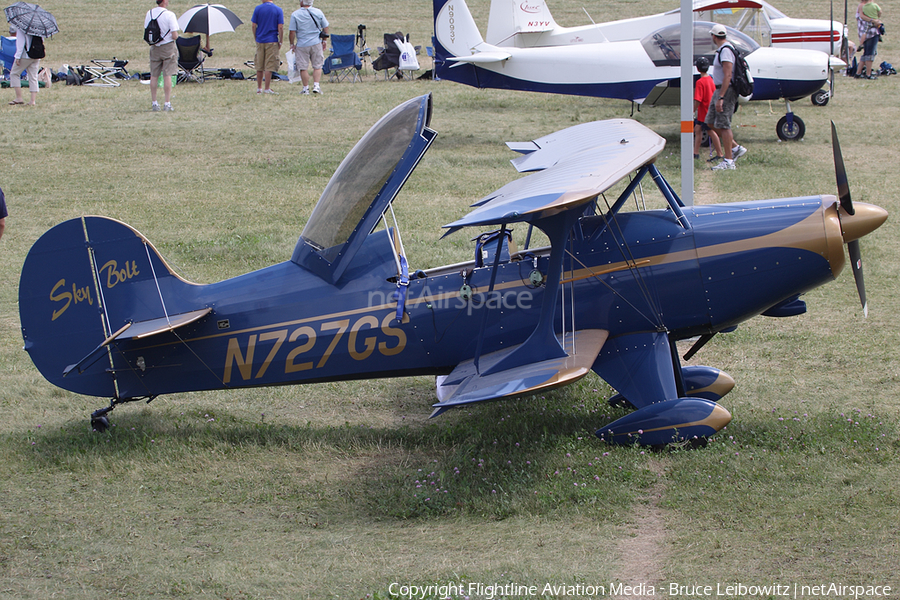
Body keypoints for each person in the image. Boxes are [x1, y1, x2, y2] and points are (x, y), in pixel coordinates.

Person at [705, 24, 747, 171]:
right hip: (718, 90)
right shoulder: (722, 50)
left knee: (724, 124)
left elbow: (728, 75)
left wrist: (721, 97)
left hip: (725, 91)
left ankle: (729, 161)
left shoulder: (726, 51)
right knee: (710, 122)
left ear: (714, 36)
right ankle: (735, 148)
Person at [145, 0, 179, 112]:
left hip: (154, 46)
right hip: (167, 46)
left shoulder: (149, 13)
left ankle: (154, 102)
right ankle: (167, 103)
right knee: (167, 74)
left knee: (154, 75)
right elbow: (174, 35)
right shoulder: (170, 15)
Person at [289, 0, 330, 95]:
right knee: (317, 65)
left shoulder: (295, 14)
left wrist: (292, 44)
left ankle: (305, 88)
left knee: (303, 67)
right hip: (316, 42)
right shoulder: (318, 12)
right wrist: (324, 40)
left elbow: (292, 32)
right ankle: (316, 85)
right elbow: (326, 26)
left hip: (302, 44)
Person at [251, 0, 284, 94]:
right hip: (272, 40)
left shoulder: (258, 8)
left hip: (260, 40)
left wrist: (255, 36)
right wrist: (281, 40)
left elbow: (254, 25)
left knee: (259, 65)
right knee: (269, 65)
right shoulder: (278, 10)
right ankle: (267, 88)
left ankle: (259, 88)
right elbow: (280, 26)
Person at [8, 26, 42, 106]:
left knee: (14, 73)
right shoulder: (39, 28)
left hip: (25, 55)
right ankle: (32, 101)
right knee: (33, 76)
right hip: (37, 54)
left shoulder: (22, 28)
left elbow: (21, 42)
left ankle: (19, 97)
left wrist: (17, 56)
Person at [693, 56, 718, 160]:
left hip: (704, 113)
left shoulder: (700, 82)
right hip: (709, 110)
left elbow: (698, 99)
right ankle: (695, 153)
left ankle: (720, 153)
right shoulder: (710, 79)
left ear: (697, 68)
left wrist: (693, 109)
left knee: (711, 132)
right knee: (697, 129)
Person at [856, 0, 882, 79]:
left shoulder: (861, 5)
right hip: (872, 33)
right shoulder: (868, 5)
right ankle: (868, 74)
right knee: (870, 54)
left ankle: (858, 73)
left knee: (865, 54)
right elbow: (879, 12)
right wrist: (874, 20)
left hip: (864, 33)